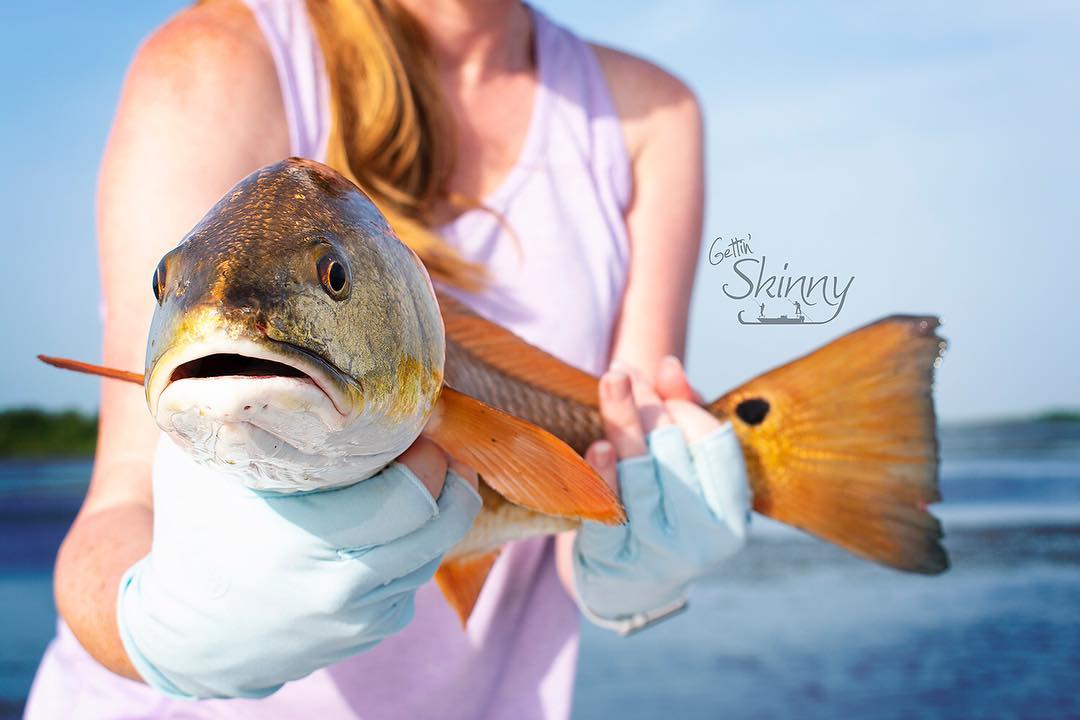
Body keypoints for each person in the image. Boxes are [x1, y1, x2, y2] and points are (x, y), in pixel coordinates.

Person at [25, 0, 751, 717]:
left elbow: (608, 456)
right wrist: (163, 632)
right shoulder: (215, 56)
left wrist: (639, 558)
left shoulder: (655, 115)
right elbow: (120, 505)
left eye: (332, 279)